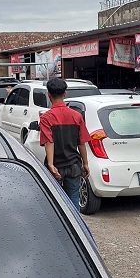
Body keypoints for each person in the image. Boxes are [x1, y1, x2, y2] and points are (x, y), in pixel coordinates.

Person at [39, 78, 91, 211]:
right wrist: (85, 163)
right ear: (65, 94)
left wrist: (51, 164)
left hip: (56, 166)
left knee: (55, 202)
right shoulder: (76, 116)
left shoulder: (46, 118)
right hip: (74, 165)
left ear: (48, 94)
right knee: (73, 198)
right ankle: (75, 224)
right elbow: (81, 142)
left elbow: (49, 141)